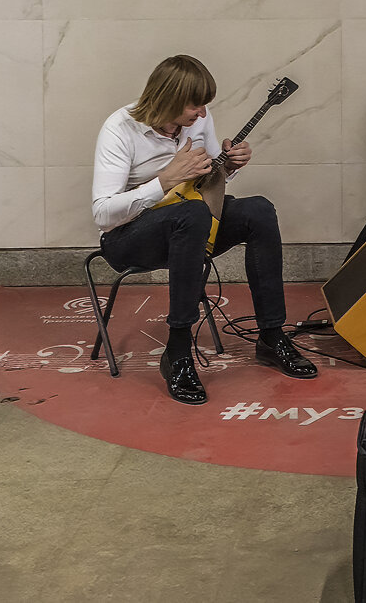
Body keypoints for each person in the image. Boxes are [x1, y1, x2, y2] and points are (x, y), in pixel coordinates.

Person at [92, 54, 316, 404]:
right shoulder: (119, 128)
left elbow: (210, 178)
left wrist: (231, 164)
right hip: (128, 239)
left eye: (205, 106)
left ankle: (271, 336)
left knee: (258, 209)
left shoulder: (198, 120)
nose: (202, 114)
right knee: (192, 214)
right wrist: (164, 180)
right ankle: (178, 350)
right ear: (167, 98)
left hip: (190, 226)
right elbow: (103, 215)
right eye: (194, 106)